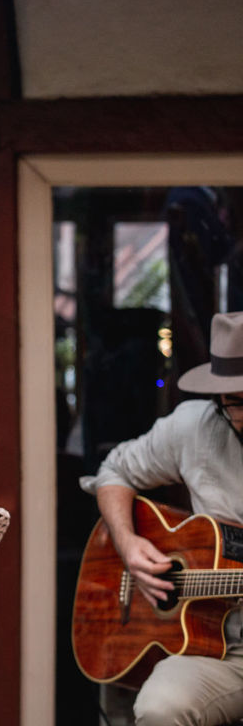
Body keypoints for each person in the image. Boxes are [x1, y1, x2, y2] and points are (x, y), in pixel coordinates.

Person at [80, 310, 243, 726]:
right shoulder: (195, 427)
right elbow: (113, 472)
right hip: (218, 652)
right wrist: (127, 543)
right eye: (237, 402)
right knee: (160, 708)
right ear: (218, 398)